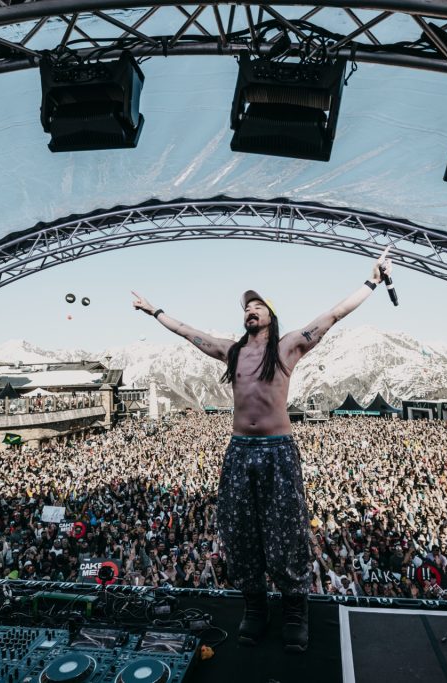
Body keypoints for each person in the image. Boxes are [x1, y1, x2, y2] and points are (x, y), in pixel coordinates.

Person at [131, 252, 392, 652]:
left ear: (271, 315)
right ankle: (255, 606)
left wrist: (371, 282)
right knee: (240, 530)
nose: (250, 311)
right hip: (240, 449)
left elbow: (334, 314)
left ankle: (294, 609)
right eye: (246, 308)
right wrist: (154, 311)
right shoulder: (232, 352)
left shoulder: (288, 348)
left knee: (286, 531)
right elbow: (187, 332)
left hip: (277, 449)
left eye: (257, 306)